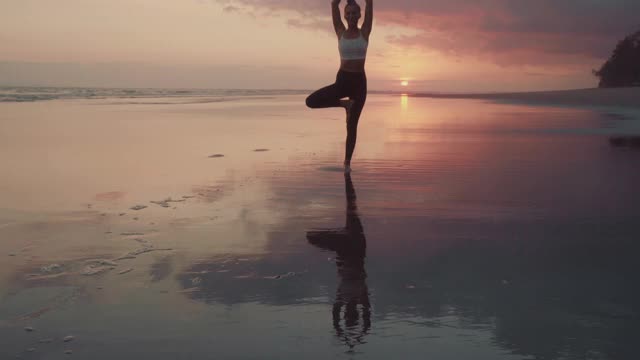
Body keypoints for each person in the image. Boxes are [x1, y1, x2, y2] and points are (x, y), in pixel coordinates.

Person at [305, 0, 373, 173]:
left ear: (359, 15)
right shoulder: (340, 31)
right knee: (311, 101)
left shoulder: (365, 32)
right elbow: (334, 4)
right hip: (342, 80)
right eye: (348, 13)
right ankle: (344, 104)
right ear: (344, 16)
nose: (351, 16)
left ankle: (347, 164)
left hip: (359, 83)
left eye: (354, 13)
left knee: (352, 126)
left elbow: (369, 2)